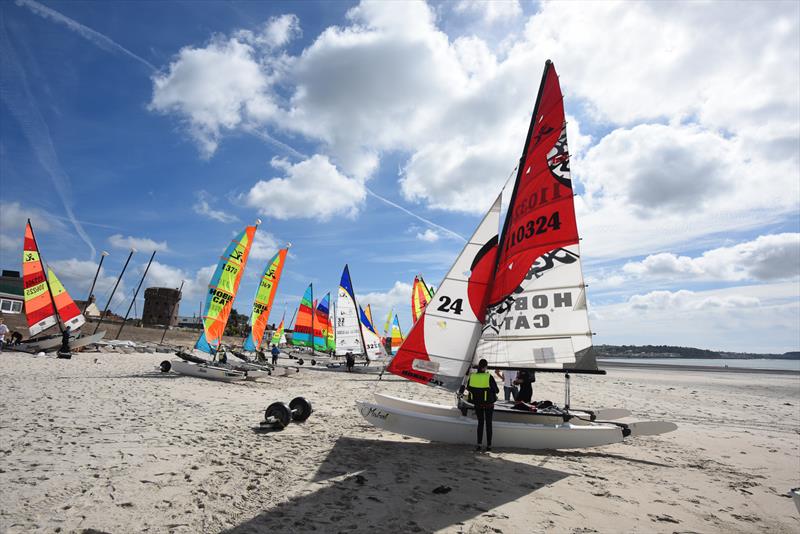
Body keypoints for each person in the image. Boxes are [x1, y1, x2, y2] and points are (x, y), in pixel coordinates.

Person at [463, 359, 499, 452]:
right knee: (488, 424)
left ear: (479, 366)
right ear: (485, 367)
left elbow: (468, 387)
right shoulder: (489, 377)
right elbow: (497, 390)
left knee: (481, 423)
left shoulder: (473, 376)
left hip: (478, 403)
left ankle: (479, 445)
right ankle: (489, 446)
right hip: (488, 404)